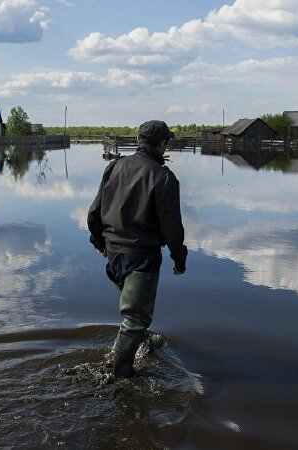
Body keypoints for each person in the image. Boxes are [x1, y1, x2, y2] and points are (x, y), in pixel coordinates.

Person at [87, 120, 188, 378]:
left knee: (135, 311)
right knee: (136, 319)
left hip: (113, 255)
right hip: (141, 258)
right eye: (168, 142)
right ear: (163, 144)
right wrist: (179, 258)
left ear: (139, 140)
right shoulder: (164, 177)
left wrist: (100, 243)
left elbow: (94, 212)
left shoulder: (115, 166)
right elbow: (172, 228)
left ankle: (142, 343)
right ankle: (114, 373)